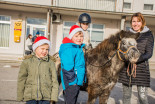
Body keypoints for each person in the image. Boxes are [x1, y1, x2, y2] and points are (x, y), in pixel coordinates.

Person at [118, 12, 154, 104]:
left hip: (142, 69)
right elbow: (121, 50)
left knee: (142, 98)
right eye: (133, 21)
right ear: (131, 23)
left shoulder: (148, 35)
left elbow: (149, 53)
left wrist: (137, 59)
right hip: (127, 69)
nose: (136, 24)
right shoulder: (127, 34)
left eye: (138, 21)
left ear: (142, 22)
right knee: (126, 97)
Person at [17, 36, 59, 104]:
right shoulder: (27, 62)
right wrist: (20, 95)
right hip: (30, 96)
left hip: (46, 97)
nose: (45, 51)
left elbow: (54, 81)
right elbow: (21, 79)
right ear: (35, 48)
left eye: (47, 49)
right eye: (42, 48)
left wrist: (53, 97)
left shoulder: (50, 63)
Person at [59, 25, 86, 104]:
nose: (79, 38)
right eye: (76, 36)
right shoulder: (70, 48)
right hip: (71, 82)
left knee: (72, 101)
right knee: (70, 101)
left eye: (81, 36)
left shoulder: (77, 48)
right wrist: (73, 81)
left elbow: (80, 65)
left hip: (76, 81)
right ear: (71, 37)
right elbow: (67, 67)